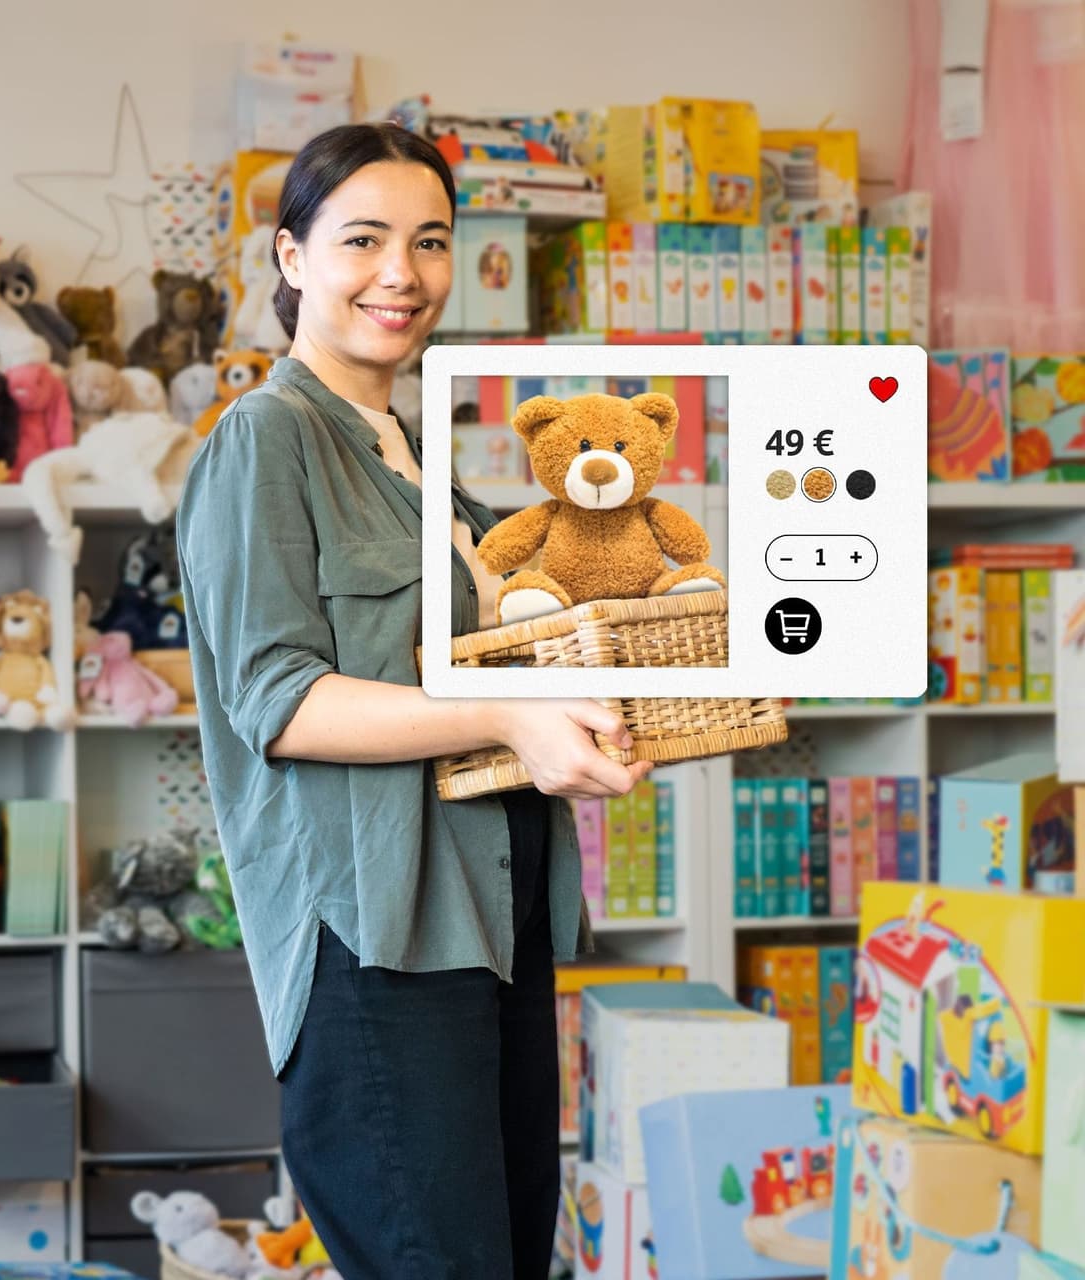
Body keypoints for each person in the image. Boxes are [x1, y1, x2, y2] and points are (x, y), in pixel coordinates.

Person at [175, 122, 653, 1279]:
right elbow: (281, 702)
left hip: (494, 922)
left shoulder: (417, 453)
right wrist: (507, 717)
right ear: (292, 257)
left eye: (430, 242)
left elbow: (494, 656)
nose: (403, 272)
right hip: (376, 938)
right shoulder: (265, 439)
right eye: (364, 239)